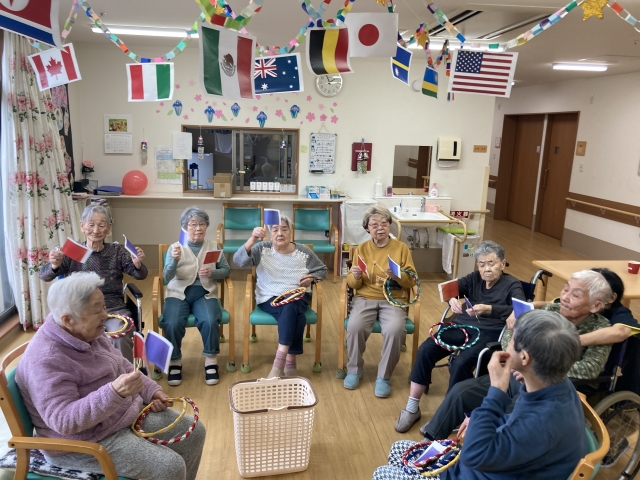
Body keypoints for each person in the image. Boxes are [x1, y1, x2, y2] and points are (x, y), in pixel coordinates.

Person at [16, 272, 205, 480]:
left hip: (117, 417)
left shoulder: (87, 332)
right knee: (169, 467)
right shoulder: (46, 360)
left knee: (194, 432)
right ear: (68, 320)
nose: (105, 315)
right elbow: (64, 422)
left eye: (104, 307)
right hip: (83, 441)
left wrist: (150, 391)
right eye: (97, 311)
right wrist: (114, 392)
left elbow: (121, 364)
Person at [373, 309, 588, 480]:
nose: (506, 344)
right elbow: (515, 422)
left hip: (475, 467)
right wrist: (478, 418)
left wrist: (496, 391)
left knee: (382, 473)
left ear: (524, 358)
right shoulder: (556, 383)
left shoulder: (540, 422)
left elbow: (474, 455)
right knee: (398, 449)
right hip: (489, 463)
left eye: (511, 340)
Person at [419, 269, 612, 441]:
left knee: (500, 421)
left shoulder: (601, 328)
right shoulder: (551, 311)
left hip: (545, 389)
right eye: (565, 289)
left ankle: (467, 451)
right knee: (460, 392)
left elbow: (590, 369)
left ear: (596, 306)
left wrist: (536, 368)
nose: (565, 297)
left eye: (575, 295)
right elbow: (511, 337)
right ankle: (427, 445)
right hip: (515, 374)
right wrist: (520, 362)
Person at [396, 240, 524, 432]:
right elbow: (448, 288)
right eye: (482, 264)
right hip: (462, 325)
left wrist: (490, 309)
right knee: (426, 349)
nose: (486, 269)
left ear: (503, 264)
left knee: (460, 363)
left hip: (490, 333)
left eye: (491, 263)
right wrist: (452, 299)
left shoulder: (511, 284)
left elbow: (521, 307)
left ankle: (447, 416)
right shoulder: (474, 278)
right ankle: (412, 408)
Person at [39, 204, 147, 362]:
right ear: (82, 226)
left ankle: (125, 372)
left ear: (109, 228)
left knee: (120, 334)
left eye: (101, 225)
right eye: (91, 225)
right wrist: (55, 265)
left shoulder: (117, 251)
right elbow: (44, 276)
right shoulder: (72, 251)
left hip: (112, 308)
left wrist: (137, 264)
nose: (96, 230)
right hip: (79, 310)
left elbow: (141, 275)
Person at [233, 216, 327, 378]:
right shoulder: (262, 249)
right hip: (269, 296)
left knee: (291, 306)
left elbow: (322, 270)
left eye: (284, 229)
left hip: (297, 295)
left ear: (291, 232)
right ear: (270, 234)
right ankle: (289, 363)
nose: (280, 233)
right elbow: (239, 261)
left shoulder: (304, 252)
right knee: (295, 314)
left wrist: (311, 278)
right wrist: (253, 238)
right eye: (275, 230)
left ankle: (278, 364)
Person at [344, 206, 417, 398]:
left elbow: (412, 281)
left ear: (390, 226)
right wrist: (355, 276)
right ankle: (354, 370)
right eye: (374, 225)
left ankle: (384, 377)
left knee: (394, 330)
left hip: (393, 298)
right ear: (367, 229)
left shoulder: (401, 249)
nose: (380, 228)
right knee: (355, 326)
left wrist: (398, 275)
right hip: (365, 297)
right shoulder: (361, 249)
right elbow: (352, 284)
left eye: (384, 223)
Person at [161, 206, 230, 387]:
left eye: (202, 224)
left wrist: (213, 273)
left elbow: (226, 270)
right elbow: (167, 276)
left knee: (210, 319)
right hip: (178, 292)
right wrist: (174, 260)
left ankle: (211, 361)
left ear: (206, 226)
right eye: (193, 224)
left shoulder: (213, 246)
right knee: (172, 322)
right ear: (185, 227)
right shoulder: (176, 248)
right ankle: (175, 361)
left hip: (204, 292)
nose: (198, 228)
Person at [580, 268, 640, 396]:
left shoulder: (619, 313)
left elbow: (620, 332)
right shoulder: (575, 302)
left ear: (611, 297)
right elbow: (553, 303)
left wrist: (571, 341)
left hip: (593, 370)